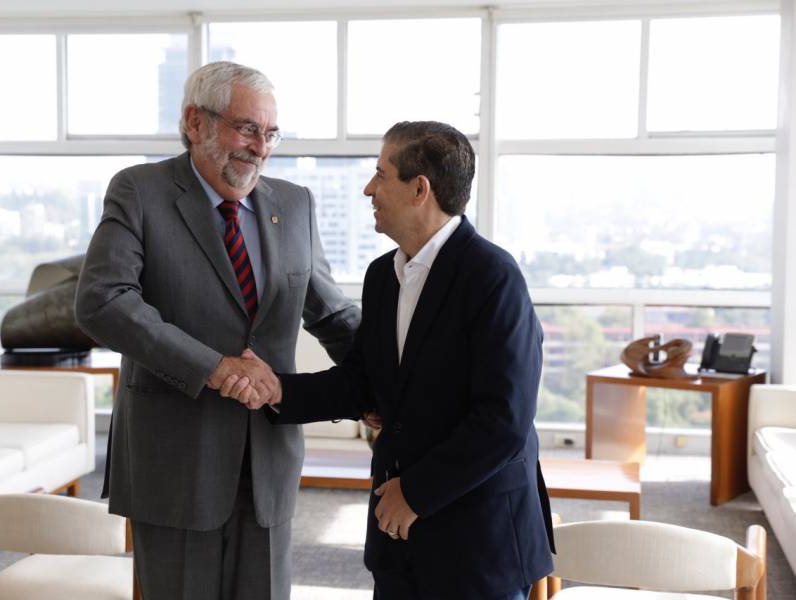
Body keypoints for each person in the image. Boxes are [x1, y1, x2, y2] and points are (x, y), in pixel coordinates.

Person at [222, 121, 555, 600]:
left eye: (381, 175)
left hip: (478, 542)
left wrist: (415, 493)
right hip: (398, 541)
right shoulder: (383, 276)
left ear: (420, 189)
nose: (368, 188)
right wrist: (278, 389)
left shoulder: (493, 276)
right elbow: (363, 381)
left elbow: (503, 420)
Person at [74, 61, 361, 600]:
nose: (260, 147)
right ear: (194, 122)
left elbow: (331, 314)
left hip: (269, 457)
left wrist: (391, 381)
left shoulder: (295, 204)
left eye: (270, 133)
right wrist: (213, 368)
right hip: (175, 458)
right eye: (246, 128)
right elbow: (102, 301)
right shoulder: (140, 191)